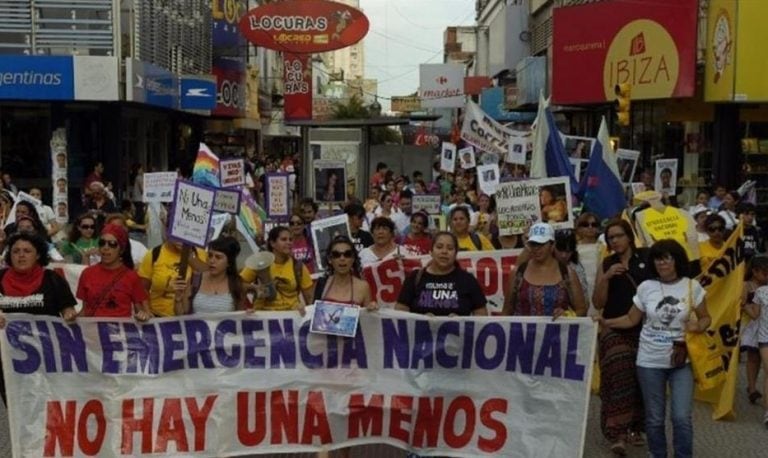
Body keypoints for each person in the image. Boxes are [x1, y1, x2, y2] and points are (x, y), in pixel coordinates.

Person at [597, 239, 710, 458]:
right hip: (649, 361)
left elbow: (707, 317)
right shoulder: (646, 287)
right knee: (655, 417)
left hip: (681, 361)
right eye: (657, 259)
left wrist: (698, 326)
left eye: (666, 258)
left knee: (681, 417)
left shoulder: (691, 286)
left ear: (677, 260)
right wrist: (605, 322)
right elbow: (631, 319)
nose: (662, 263)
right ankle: (657, 454)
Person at [592, 219, 652, 455]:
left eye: (618, 236)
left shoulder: (646, 258)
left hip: (646, 328)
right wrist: (606, 278)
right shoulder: (607, 263)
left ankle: (636, 427)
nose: (614, 241)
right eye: (610, 238)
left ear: (629, 236)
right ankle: (617, 432)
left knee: (642, 378)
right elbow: (598, 303)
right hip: (614, 327)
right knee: (619, 372)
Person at [0, 232, 78, 404]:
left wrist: (69, 315)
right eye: (16, 251)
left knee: (46, 408)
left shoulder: (52, 280)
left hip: (47, 359)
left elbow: (68, 310)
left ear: (38, 255)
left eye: (27, 251)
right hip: (9, 361)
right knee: (17, 409)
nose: (21, 255)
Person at [502, 223, 587, 318]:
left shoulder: (567, 273)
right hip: (523, 332)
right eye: (533, 244)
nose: (536, 248)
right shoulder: (518, 273)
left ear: (552, 245)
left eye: (541, 244)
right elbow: (506, 312)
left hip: (557, 332)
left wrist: (568, 315)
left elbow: (582, 310)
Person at [395, 231, 488, 316]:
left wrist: (462, 323)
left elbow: (481, 317)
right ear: (430, 252)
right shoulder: (414, 277)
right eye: (439, 247)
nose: (444, 252)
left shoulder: (468, 280)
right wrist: (420, 321)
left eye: (450, 248)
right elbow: (399, 313)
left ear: (456, 254)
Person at [76, 224, 151, 320]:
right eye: (102, 243)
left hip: (121, 333)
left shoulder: (132, 277)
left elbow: (143, 311)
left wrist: (143, 316)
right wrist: (71, 319)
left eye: (112, 244)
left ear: (122, 249)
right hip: (93, 333)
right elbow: (85, 311)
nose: (106, 247)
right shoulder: (87, 273)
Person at [240, 226, 313, 313]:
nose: (288, 242)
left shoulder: (298, 266)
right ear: (272, 243)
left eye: (290, 240)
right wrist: (255, 288)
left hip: (291, 317)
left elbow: (309, 297)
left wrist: (307, 311)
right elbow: (237, 284)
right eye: (284, 239)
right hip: (264, 316)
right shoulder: (260, 262)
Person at [137, 229, 207, 317]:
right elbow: (142, 289)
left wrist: (189, 256)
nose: (180, 237)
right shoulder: (154, 254)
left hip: (188, 316)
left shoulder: (199, 253)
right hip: (158, 316)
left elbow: (208, 276)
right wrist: (146, 311)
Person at [174, 236, 249, 314]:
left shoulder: (236, 284)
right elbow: (182, 316)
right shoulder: (195, 280)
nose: (212, 261)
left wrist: (249, 315)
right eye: (210, 255)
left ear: (229, 262)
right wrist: (178, 300)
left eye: (218, 257)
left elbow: (240, 318)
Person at [313, 236, 375, 309]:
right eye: (336, 255)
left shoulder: (363, 287)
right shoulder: (322, 284)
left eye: (347, 254)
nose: (342, 258)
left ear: (353, 259)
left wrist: (373, 309)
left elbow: (368, 318)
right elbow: (311, 314)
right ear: (330, 259)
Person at [742, 256, 768, 406]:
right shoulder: (747, 285)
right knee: (753, 358)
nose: (767, 276)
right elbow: (742, 301)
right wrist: (746, 306)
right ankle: (752, 388)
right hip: (752, 324)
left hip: (764, 323)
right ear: (754, 272)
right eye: (764, 273)